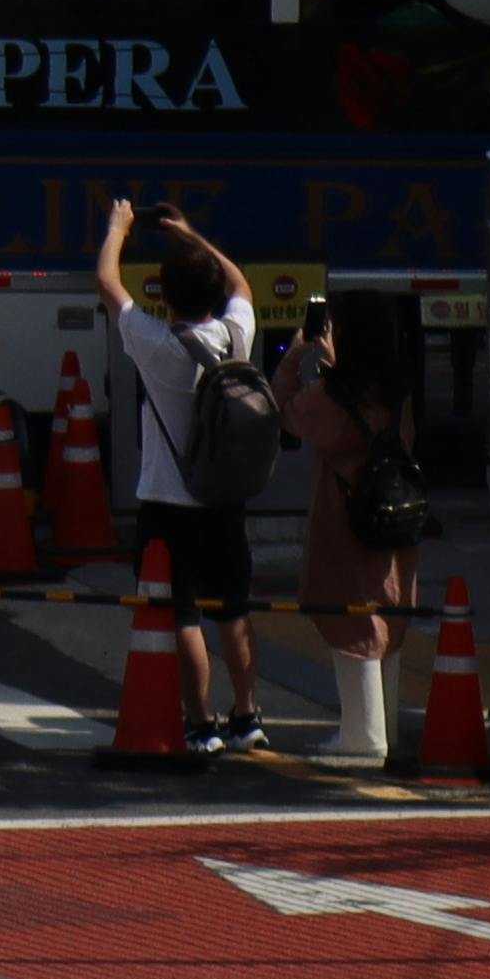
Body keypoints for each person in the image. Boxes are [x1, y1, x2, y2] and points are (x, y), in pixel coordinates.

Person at [94, 194, 268, 753]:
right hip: (226, 498)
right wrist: (192, 236)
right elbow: (240, 284)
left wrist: (119, 228)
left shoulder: (157, 346)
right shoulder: (237, 335)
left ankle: (203, 724)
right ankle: (249, 717)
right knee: (234, 610)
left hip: (169, 503)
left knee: (182, 615)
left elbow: (107, 284)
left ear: (164, 296)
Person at [277, 295, 421, 764]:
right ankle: (385, 728)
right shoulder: (397, 394)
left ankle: (363, 735)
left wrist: (299, 352)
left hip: (347, 523)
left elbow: (281, 407)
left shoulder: (331, 397)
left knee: (351, 620)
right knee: (389, 619)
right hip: (396, 521)